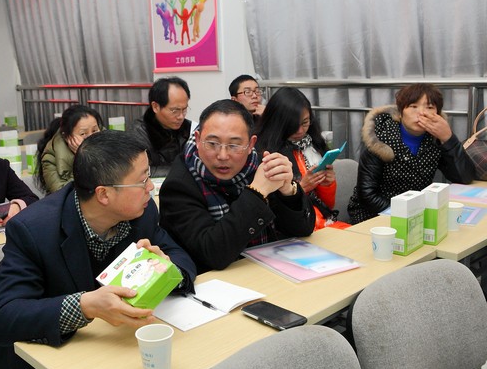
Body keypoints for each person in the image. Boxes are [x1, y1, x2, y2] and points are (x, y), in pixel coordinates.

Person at [0, 130, 196, 369]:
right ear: (103, 194)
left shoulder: (141, 211)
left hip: (115, 354)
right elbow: (4, 317)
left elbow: (178, 255)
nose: (150, 187)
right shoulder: (33, 229)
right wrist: (85, 306)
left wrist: (166, 267)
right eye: (142, 180)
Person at [159, 100, 315, 273]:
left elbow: (304, 229)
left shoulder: (260, 165)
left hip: (269, 271)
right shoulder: (179, 186)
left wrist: (289, 192)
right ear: (197, 139)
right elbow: (212, 253)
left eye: (234, 145)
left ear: (251, 145)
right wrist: (256, 192)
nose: (223, 155)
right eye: (212, 144)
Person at [348, 83, 475, 224]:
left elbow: (464, 177)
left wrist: (449, 138)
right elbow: (367, 195)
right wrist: (406, 215)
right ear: (400, 113)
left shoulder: (435, 138)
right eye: (413, 106)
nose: (421, 113)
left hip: (417, 214)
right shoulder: (379, 138)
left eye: (429, 107)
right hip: (376, 213)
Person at [256, 87, 343, 230]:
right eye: (292, 125)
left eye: (305, 123)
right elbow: (269, 212)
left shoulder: (313, 145)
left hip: (323, 222)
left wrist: (327, 184)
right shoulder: (265, 154)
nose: (300, 131)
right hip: (294, 230)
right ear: (277, 122)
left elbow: (328, 206)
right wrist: (300, 189)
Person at [131, 77, 192, 177]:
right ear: (155, 107)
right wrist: (183, 170)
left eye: (184, 109)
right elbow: (141, 171)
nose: (181, 116)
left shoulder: (189, 127)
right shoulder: (139, 133)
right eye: (175, 111)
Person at [36, 105, 103, 194]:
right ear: (67, 136)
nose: (92, 137)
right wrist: (82, 156)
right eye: (83, 133)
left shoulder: (106, 141)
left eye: (94, 130)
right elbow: (63, 193)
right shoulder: (50, 157)